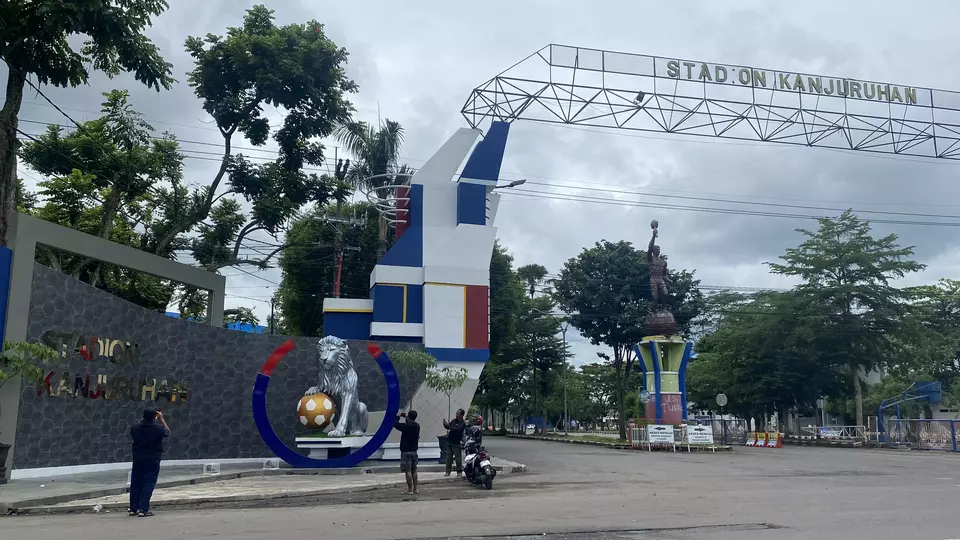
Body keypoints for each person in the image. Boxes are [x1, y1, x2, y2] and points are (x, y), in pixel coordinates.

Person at [129, 407, 170, 517]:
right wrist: (161, 419)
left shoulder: (135, 427)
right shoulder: (158, 428)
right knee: (149, 482)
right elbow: (167, 432)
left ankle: (133, 508)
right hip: (153, 459)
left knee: (136, 482)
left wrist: (145, 419)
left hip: (138, 459)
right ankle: (144, 509)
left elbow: (137, 426)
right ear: (154, 417)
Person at [393, 410, 420, 495]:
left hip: (406, 451)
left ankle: (410, 489)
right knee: (414, 470)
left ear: (409, 417)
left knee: (407, 471)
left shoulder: (405, 426)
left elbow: (395, 424)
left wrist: (398, 416)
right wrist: (406, 416)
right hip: (414, 451)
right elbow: (410, 420)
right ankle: (415, 489)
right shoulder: (417, 426)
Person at [442, 409, 466, 477]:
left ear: (462, 415)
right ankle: (448, 471)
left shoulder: (462, 423)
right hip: (450, 441)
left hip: (457, 442)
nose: (456, 415)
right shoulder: (454, 421)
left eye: (458, 414)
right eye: (456, 413)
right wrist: (445, 424)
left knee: (458, 458)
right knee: (448, 457)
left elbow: (458, 429)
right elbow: (448, 426)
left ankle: (459, 472)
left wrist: (451, 427)